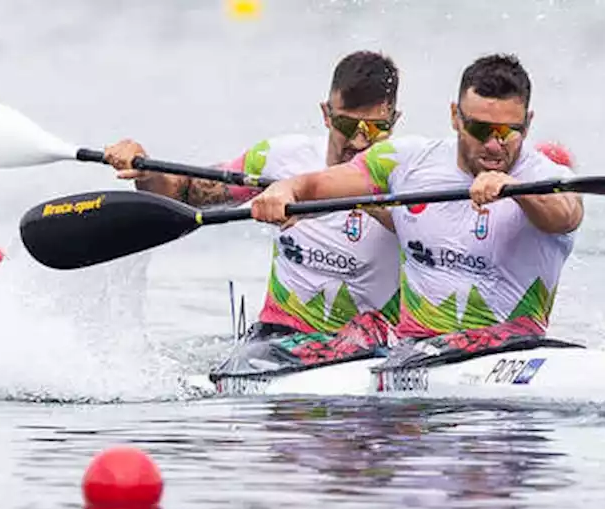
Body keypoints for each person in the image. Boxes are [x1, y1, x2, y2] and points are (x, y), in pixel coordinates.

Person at [248, 53, 584, 369]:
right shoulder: (407, 161)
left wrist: (516, 191)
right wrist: (286, 189)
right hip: (412, 356)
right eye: (481, 130)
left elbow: (566, 215)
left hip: (505, 352)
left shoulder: (548, 178)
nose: (495, 145)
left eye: (509, 132)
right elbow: (318, 185)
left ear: (527, 123)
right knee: (365, 328)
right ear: (455, 117)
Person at [103, 51, 404, 377]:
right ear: (326, 115)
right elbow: (185, 193)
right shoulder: (280, 157)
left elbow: (434, 234)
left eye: (375, 130)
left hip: (374, 340)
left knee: (368, 330)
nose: (360, 141)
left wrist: (369, 201)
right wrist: (146, 170)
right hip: (280, 336)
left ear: (395, 121)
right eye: (348, 124)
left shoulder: (409, 174)